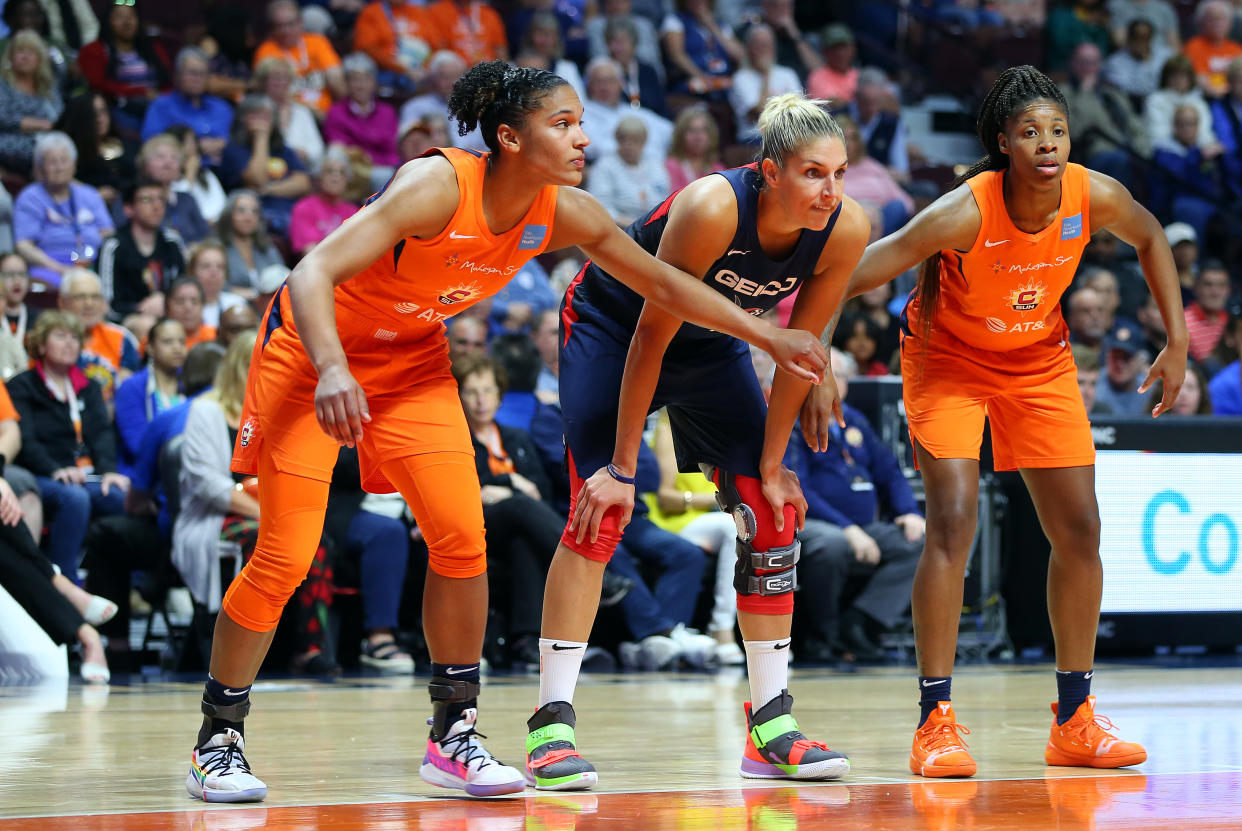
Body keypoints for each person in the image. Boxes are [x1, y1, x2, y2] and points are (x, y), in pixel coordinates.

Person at [183, 61, 826, 803]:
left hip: (410, 361)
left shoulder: (565, 210)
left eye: (581, 121)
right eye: (563, 124)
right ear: (511, 138)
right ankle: (217, 737)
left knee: (463, 539)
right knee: (284, 556)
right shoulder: (437, 186)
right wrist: (331, 368)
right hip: (312, 354)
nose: (582, 137)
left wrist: (763, 335)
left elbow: (662, 283)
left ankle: (453, 733)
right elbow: (311, 271)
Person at [844, 65, 1187, 778]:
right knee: (954, 519)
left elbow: (1152, 236)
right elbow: (866, 267)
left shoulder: (1092, 194)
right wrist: (799, 329)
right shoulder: (964, 210)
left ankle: (1074, 719)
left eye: (1057, 130)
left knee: (1081, 529)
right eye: (1030, 132)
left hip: (1038, 361)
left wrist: (1176, 341)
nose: (1047, 143)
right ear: (1004, 142)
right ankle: (934, 722)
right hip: (947, 360)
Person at [534, 91, 866, 789]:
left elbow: (799, 352)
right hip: (616, 328)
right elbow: (653, 334)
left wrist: (772, 467)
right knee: (599, 509)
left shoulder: (845, 227)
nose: (830, 190)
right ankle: (551, 727)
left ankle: (771, 722)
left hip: (716, 345)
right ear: (769, 171)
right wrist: (623, 465)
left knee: (772, 510)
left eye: (839, 173)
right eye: (812, 173)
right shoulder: (712, 205)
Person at [790, 348, 922, 664]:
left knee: (920, 542)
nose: (832, 383)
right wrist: (847, 528)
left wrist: (909, 511)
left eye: (839, 376)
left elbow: (889, 471)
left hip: (865, 527)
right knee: (830, 545)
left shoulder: (856, 420)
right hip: (816, 525)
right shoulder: (794, 421)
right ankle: (824, 636)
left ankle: (863, 622)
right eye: (824, 375)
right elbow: (799, 487)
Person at [9, 311, 128, 578]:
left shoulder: (89, 385)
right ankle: (63, 579)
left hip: (87, 475)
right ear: (41, 344)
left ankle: (109, 581)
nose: (69, 343)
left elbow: (102, 435)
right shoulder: (22, 386)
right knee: (74, 499)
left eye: (75, 337)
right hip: (42, 475)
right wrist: (55, 469)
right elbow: (25, 439)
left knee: (121, 498)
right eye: (60, 336)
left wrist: (109, 470)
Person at [13, 132, 114, 290]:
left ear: (74, 165)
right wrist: (61, 269)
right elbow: (23, 245)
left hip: (93, 267)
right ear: (40, 168)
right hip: (48, 271)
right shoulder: (30, 197)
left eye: (64, 161)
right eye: (52, 162)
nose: (59, 168)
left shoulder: (89, 194)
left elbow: (109, 233)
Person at [96, 177, 187, 320]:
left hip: (169, 317)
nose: (156, 206)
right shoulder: (113, 246)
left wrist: (165, 301)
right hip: (128, 321)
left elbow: (185, 287)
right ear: (128, 209)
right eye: (146, 199)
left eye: (160, 199)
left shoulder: (172, 241)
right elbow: (106, 306)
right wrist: (141, 309)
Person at [220, 94, 311, 238]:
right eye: (256, 115)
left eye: (267, 116)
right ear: (243, 118)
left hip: (286, 211)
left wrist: (268, 189)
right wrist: (261, 138)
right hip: (255, 213)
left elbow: (303, 183)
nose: (262, 122)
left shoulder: (282, 149)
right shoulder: (234, 149)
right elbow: (258, 179)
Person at [113, 315, 186, 474]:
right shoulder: (132, 387)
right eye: (167, 342)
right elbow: (137, 444)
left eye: (181, 342)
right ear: (150, 348)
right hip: (145, 472)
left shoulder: (192, 383)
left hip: (188, 468)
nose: (177, 348)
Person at [56, 267, 141, 398]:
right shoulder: (51, 340)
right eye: (80, 297)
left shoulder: (121, 337)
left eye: (95, 297)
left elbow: (131, 389)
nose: (89, 304)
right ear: (62, 302)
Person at [140, 46, 233, 163]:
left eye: (203, 74)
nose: (198, 79)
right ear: (177, 75)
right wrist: (197, 147)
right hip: (178, 169)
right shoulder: (161, 106)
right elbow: (151, 145)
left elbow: (227, 141)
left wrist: (221, 144)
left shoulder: (221, 108)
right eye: (192, 73)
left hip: (220, 170)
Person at [252, 0, 345, 117]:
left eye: (290, 24)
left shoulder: (318, 42)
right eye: (279, 26)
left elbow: (337, 80)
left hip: (327, 114)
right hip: (290, 115)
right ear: (272, 28)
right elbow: (271, 93)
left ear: (300, 22)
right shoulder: (266, 51)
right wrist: (310, 110)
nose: (286, 31)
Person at [323, 53, 399, 190]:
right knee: (334, 153)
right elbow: (338, 146)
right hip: (350, 170)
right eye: (355, 80)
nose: (360, 85)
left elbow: (392, 153)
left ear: (374, 82)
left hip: (379, 169)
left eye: (366, 79)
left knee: (387, 175)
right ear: (347, 83)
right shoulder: (336, 111)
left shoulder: (387, 112)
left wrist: (368, 158)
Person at [0, 30, 64, 177]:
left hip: (48, 141)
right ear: (10, 56)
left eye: (31, 52)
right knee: (49, 153)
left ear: (40, 58)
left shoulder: (48, 86)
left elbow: (59, 115)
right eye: (20, 51)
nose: (25, 57)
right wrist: (37, 124)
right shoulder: (3, 85)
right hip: (10, 141)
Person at [586, 116, 670, 227]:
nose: (628, 145)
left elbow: (665, 201)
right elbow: (600, 208)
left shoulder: (655, 164)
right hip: (617, 229)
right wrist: (636, 225)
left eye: (635, 140)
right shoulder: (604, 166)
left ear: (644, 142)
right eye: (623, 139)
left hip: (652, 228)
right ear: (617, 140)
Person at [729, 23, 801, 144]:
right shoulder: (740, 78)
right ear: (750, 49)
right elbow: (760, 113)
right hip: (755, 139)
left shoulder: (788, 74)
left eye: (768, 45)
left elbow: (799, 112)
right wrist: (766, 75)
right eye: (760, 45)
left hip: (788, 137)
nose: (765, 49)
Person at [253, 57, 326, 175]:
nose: (281, 82)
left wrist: (306, 154)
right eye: (275, 77)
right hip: (266, 169)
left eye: (285, 78)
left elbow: (317, 148)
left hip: (302, 170)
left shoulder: (301, 111)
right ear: (263, 81)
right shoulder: (254, 109)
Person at [289, 148, 358, 256]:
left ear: (347, 180)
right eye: (329, 171)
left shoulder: (353, 212)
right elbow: (311, 255)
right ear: (319, 176)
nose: (336, 177)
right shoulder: (304, 208)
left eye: (342, 172)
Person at [218, 190, 284, 297]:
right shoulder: (218, 249)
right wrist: (253, 295)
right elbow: (215, 285)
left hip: (267, 307)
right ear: (229, 215)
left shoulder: (268, 248)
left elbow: (282, 279)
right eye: (241, 211)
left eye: (254, 212)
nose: (248, 217)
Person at [167, 125, 227, 225]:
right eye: (189, 142)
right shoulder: (167, 178)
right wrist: (190, 173)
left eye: (194, 141)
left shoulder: (206, 174)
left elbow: (223, 204)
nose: (195, 147)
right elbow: (179, 206)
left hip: (218, 227)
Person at [1184, 0, 1242, 96]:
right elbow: (1199, 80)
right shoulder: (1194, 46)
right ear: (1201, 22)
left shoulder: (1236, 48)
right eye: (1211, 19)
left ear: (1230, 24)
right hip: (1207, 98)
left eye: (1222, 19)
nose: (1217, 24)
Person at [664, 105, 724, 192]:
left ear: (711, 135)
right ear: (681, 136)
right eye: (691, 131)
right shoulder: (671, 166)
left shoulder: (717, 168)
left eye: (703, 130)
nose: (698, 137)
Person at [1184, 261, 1233, 362]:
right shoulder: (1182, 322)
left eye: (1221, 285)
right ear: (1195, 287)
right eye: (1208, 285)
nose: (1215, 292)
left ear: (1228, 290)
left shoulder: (1232, 322)